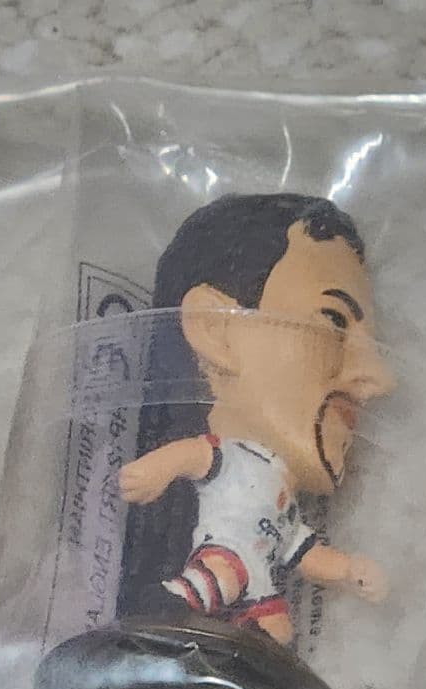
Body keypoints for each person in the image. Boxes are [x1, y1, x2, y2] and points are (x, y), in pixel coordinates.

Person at [118, 194, 394, 645]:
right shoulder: (234, 459)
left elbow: (303, 550)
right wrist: (154, 470)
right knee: (219, 579)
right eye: (333, 320)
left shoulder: (284, 500)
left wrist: (348, 570)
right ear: (216, 328)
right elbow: (195, 456)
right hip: (225, 558)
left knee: (276, 633)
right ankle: (173, 607)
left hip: (259, 579)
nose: (381, 380)